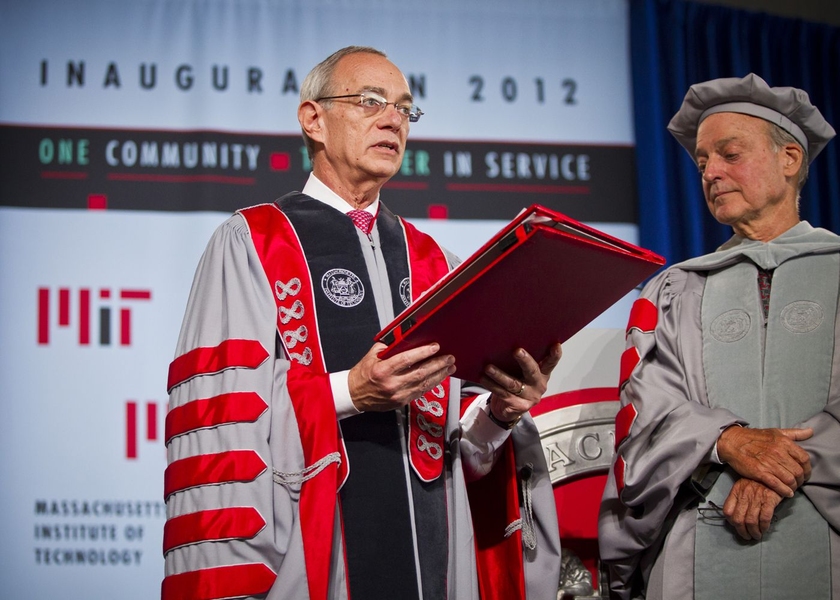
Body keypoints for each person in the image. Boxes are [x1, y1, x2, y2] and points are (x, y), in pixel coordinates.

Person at [161, 46, 563, 600]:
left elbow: (452, 449)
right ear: (313, 120)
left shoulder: (435, 262)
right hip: (308, 552)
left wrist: (498, 413)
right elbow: (223, 412)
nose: (393, 118)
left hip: (434, 558)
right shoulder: (254, 242)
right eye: (371, 100)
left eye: (404, 108)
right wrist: (350, 392)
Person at [598, 73, 840, 599]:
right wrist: (725, 441)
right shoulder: (674, 288)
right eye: (704, 162)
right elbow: (645, 410)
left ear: (790, 159)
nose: (711, 173)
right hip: (699, 535)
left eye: (729, 154)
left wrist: (773, 469)